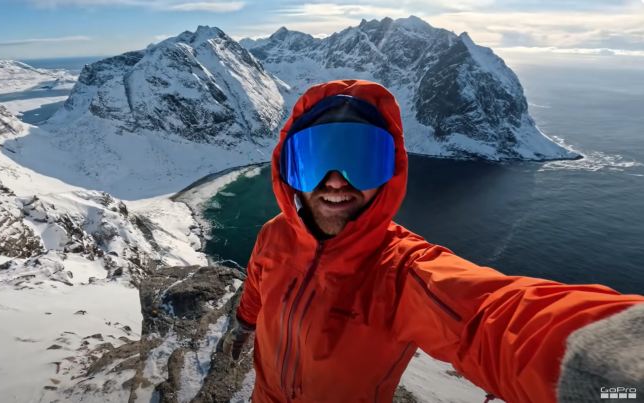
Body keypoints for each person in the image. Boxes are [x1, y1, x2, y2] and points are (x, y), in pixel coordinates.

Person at [222, 79, 644, 402]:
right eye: (313, 161)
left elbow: (492, 321)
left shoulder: (402, 273)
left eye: (362, 161)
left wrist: (614, 362)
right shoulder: (275, 234)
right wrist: (244, 323)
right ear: (287, 170)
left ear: (391, 170)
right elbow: (258, 285)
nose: (335, 181)